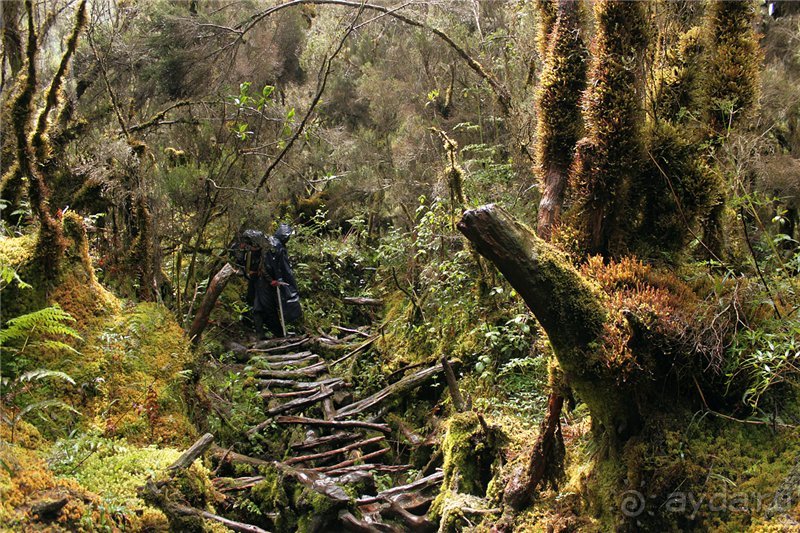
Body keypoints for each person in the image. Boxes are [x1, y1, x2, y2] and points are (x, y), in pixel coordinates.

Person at [231, 225, 301, 339]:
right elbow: (276, 267)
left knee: (258, 305)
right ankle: (277, 334)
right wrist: (274, 280)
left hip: (256, 278)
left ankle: (261, 334)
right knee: (267, 307)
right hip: (263, 280)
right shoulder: (275, 246)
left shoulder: (268, 243)